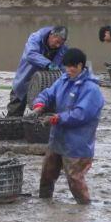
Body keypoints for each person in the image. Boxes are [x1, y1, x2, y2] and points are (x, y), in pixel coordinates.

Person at [31, 48, 104, 205]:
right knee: (47, 174)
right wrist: (39, 105)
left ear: (81, 66)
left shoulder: (92, 89)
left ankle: (84, 208)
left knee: (75, 179)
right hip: (57, 139)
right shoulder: (62, 81)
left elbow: (81, 114)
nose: (68, 70)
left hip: (78, 144)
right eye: (66, 66)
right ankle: (44, 203)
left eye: (72, 67)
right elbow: (48, 93)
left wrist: (57, 118)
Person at [7, 26, 68, 117]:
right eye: (57, 42)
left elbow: (64, 68)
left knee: (42, 115)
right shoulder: (36, 38)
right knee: (15, 111)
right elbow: (31, 54)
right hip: (24, 80)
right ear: (51, 35)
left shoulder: (63, 49)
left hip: (45, 86)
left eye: (61, 43)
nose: (58, 46)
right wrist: (48, 64)